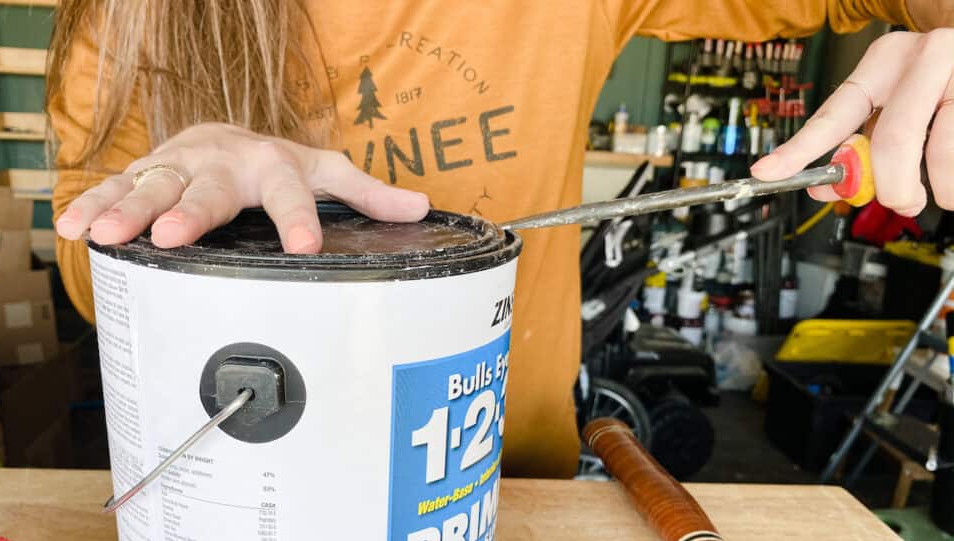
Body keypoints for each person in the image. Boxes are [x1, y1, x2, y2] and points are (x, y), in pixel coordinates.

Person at [48, 1, 954, 478]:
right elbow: (93, 284)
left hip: (505, 494)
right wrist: (182, 195)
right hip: (246, 506)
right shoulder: (131, 18)